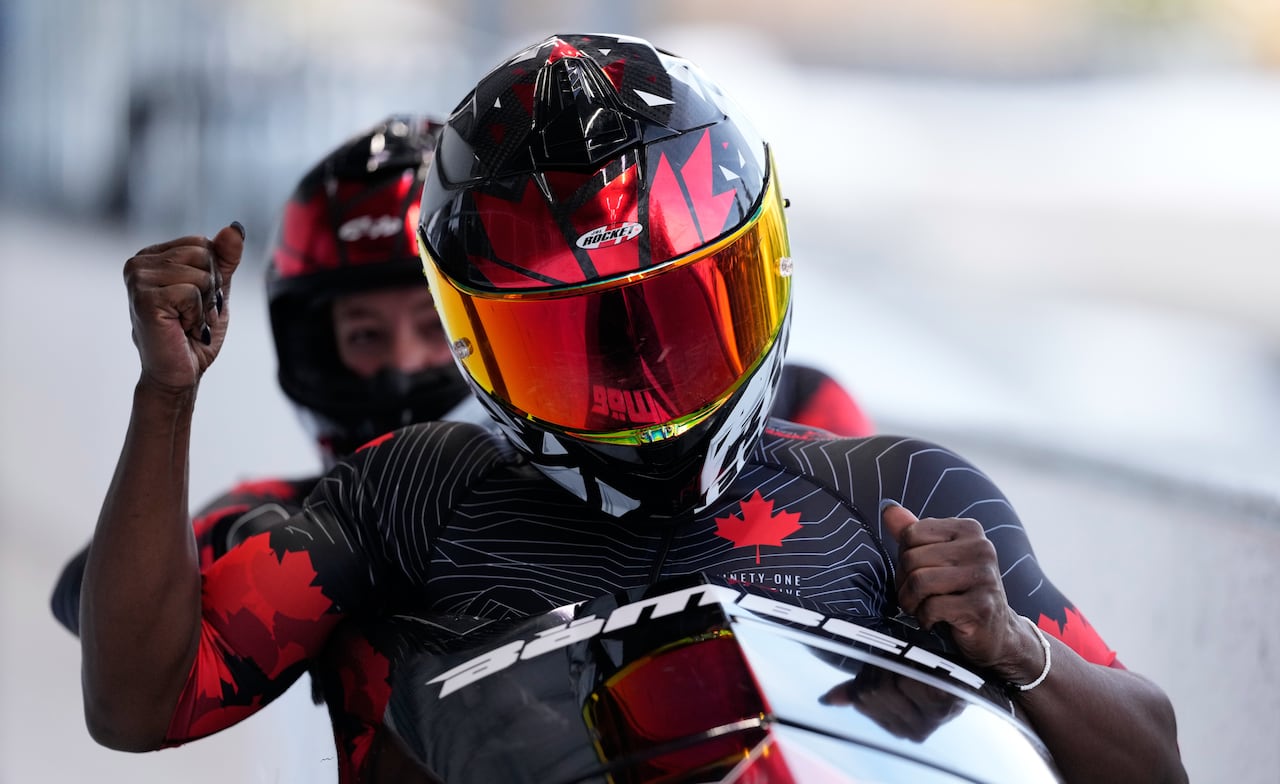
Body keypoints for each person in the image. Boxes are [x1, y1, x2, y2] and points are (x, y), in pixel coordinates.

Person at [75, 33, 1185, 784]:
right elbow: (140, 702)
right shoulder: (405, 497)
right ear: (481, 336)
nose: (645, 394)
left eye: (677, 321)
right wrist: (163, 399)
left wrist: (1012, 649)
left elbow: (1153, 761)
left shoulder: (895, 491)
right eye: (575, 338)